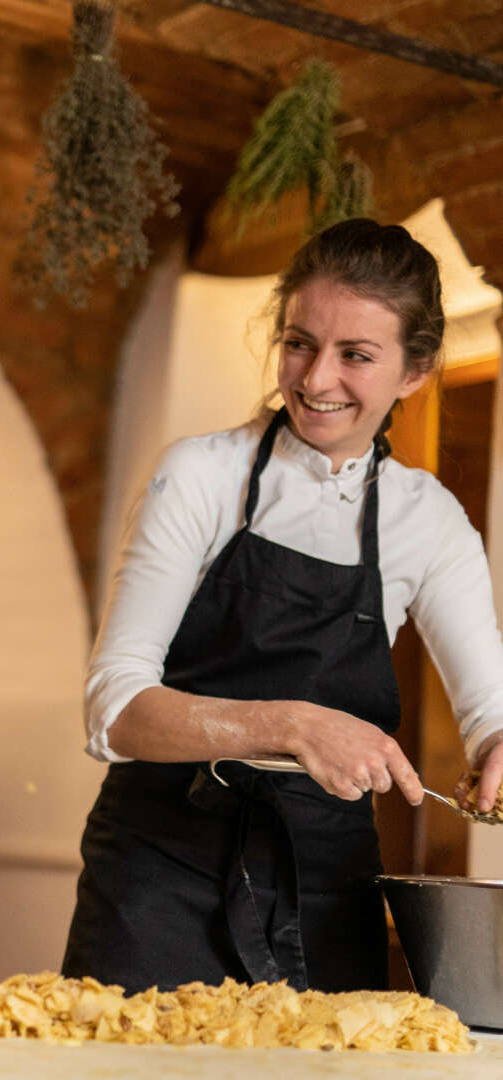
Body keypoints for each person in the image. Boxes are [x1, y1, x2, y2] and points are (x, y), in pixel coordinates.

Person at [62, 218, 503, 995]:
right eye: (299, 342)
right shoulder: (199, 475)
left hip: (322, 889)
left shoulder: (426, 519)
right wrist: (293, 725)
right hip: (156, 879)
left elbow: (492, 715)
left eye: (356, 356)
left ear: (415, 373)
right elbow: (115, 708)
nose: (314, 378)